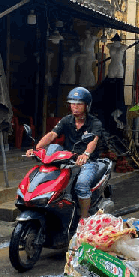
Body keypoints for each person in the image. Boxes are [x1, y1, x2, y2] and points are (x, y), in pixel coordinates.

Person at [33, 87, 105, 220]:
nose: (75, 107)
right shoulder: (67, 120)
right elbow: (52, 135)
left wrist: (86, 155)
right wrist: (37, 148)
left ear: (86, 105)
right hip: (67, 160)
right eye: (72, 103)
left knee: (81, 185)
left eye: (79, 104)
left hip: (88, 162)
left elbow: (93, 141)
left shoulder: (94, 123)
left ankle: (84, 217)